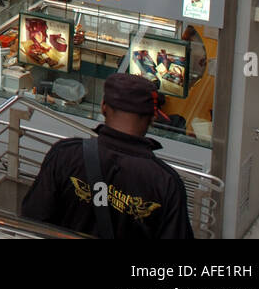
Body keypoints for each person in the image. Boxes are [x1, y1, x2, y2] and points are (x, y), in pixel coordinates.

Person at [21, 73, 195, 238]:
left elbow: (33, 220)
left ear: (104, 106)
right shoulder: (166, 182)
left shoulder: (65, 155)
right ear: (152, 117)